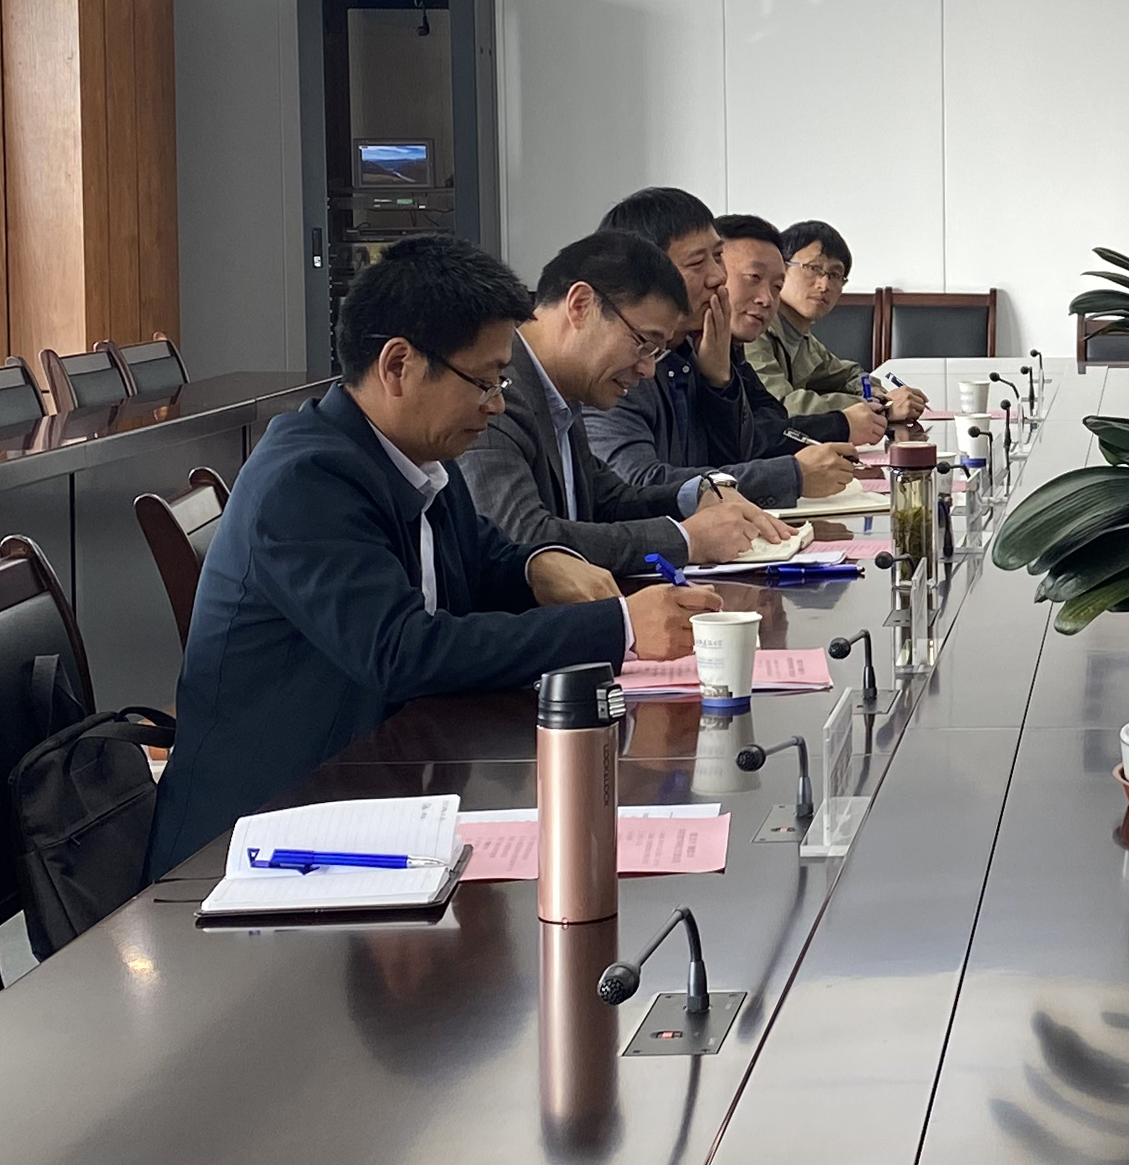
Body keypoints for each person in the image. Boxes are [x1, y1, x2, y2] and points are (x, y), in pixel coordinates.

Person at [149, 236, 719, 877]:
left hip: (376, 793)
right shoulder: (307, 479)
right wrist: (618, 627)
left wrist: (537, 566)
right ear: (398, 365)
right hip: (257, 844)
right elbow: (402, 652)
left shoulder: (412, 455)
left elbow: (484, 560)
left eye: (503, 381)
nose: (497, 404)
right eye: (484, 381)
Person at [460, 231, 797, 572]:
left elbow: (609, 500)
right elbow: (524, 540)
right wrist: (686, 540)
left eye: (657, 352)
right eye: (643, 343)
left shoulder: (562, 391)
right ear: (581, 305)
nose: (648, 370)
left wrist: (697, 493)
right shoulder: (495, 395)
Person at [588, 188, 857, 502]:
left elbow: (744, 449)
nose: (718, 277)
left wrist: (719, 383)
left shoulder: (694, 351)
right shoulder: (619, 360)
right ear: (643, 271)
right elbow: (639, 485)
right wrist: (791, 476)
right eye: (698, 262)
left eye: (718, 259)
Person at [746, 218, 923, 435]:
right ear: (781, 268)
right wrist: (877, 407)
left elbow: (849, 374)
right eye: (813, 268)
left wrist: (874, 393)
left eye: (835, 275)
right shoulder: (754, 329)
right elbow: (780, 405)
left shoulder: (802, 337)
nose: (824, 285)